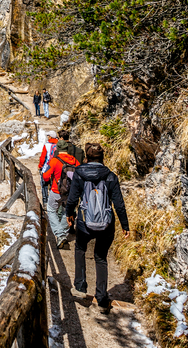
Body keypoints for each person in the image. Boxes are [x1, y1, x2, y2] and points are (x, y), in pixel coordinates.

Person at [63, 143, 129, 312]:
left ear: (87, 157)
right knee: (100, 257)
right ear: (102, 158)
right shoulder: (111, 176)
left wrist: (69, 214)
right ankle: (101, 298)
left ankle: (80, 287)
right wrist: (125, 225)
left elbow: (72, 199)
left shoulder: (79, 174)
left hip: (85, 222)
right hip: (106, 224)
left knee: (80, 249)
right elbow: (119, 204)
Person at [42, 138, 82, 248]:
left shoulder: (55, 160)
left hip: (56, 191)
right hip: (71, 193)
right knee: (67, 212)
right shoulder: (75, 161)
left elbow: (45, 176)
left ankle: (60, 235)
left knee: (51, 210)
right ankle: (63, 234)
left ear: (58, 149)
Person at [37, 131, 59, 203]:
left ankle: (45, 201)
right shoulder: (59, 144)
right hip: (56, 168)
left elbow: (43, 157)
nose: (47, 137)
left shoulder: (47, 145)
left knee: (44, 185)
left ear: (50, 137)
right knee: (53, 184)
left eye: (48, 136)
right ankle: (52, 201)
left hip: (46, 167)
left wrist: (40, 166)